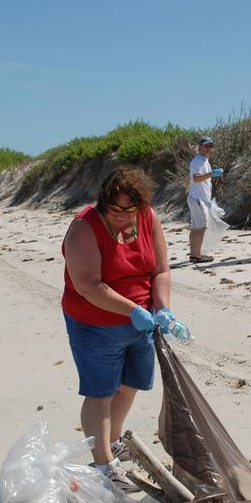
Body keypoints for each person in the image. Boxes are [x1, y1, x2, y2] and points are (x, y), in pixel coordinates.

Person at [63, 167, 189, 486]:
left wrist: (163, 309)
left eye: (129, 209)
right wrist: (133, 310)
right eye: (114, 209)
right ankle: (103, 464)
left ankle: (113, 442)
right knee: (100, 392)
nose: (122, 215)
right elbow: (88, 286)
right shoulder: (84, 228)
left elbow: (160, 270)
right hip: (95, 323)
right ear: (103, 202)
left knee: (130, 384)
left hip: (140, 322)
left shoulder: (147, 217)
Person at [187, 136, 222, 263]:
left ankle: (193, 254)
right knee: (201, 227)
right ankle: (197, 256)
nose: (208, 148)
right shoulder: (197, 161)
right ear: (199, 147)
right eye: (206, 146)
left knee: (196, 227)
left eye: (210, 146)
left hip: (197, 198)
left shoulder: (204, 161)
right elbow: (196, 178)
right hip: (197, 199)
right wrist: (211, 174)